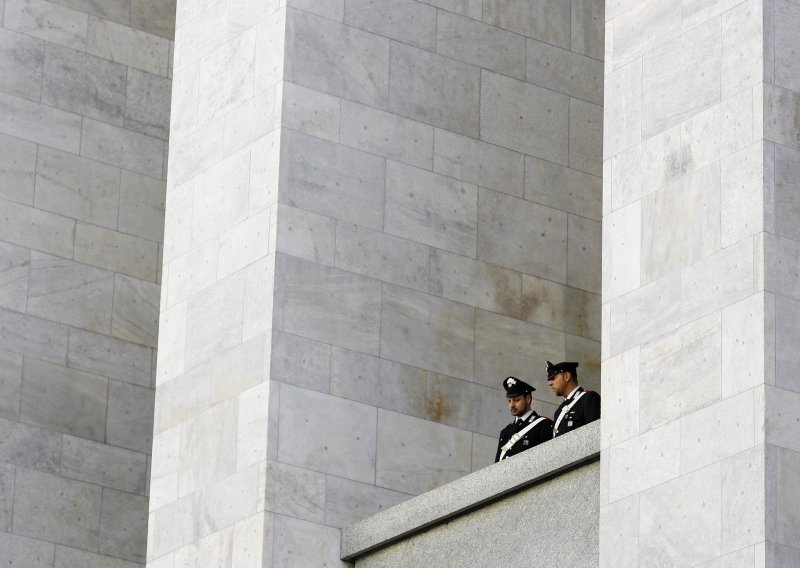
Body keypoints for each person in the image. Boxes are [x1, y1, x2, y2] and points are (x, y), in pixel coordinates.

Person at [495, 376, 554, 462]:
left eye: (516, 400)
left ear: (528, 399)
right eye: (509, 401)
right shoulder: (505, 432)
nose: (512, 405)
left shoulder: (543, 425)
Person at [545, 361, 600, 437]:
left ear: (566, 376)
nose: (550, 383)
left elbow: (595, 433)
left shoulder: (588, 398)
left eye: (554, 378)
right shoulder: (559, 411)